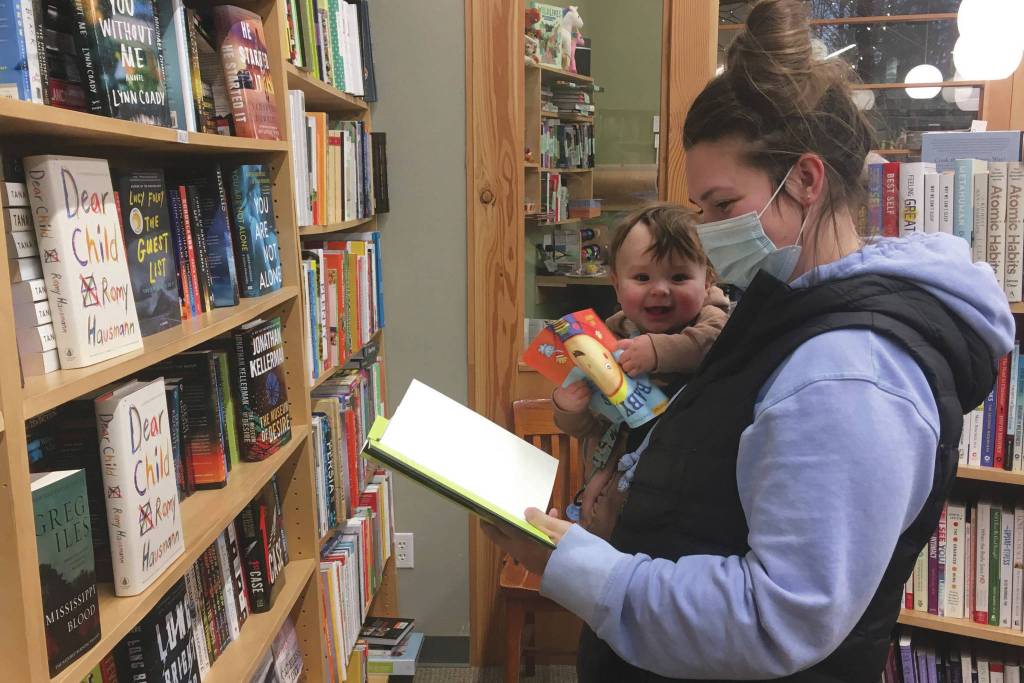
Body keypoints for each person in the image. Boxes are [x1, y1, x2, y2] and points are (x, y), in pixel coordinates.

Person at [482, 0, 1015, 680]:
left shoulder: (849, 375)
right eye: (700, 209)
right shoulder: (790, 318)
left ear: (806, 181)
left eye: (724, 206)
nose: (706, 232)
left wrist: (579, 567)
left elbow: (776, 616)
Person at [552, 203, 730, 538]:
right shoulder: (609, 339)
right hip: (607, 505)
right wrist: (569, 409)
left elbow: (711, 344)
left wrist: (657, 351)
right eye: (642, 277)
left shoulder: (713, 321)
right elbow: (597, 425)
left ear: (707, 281)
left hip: (673, 517)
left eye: (679, 277)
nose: (660, 289)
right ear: (617, 286)